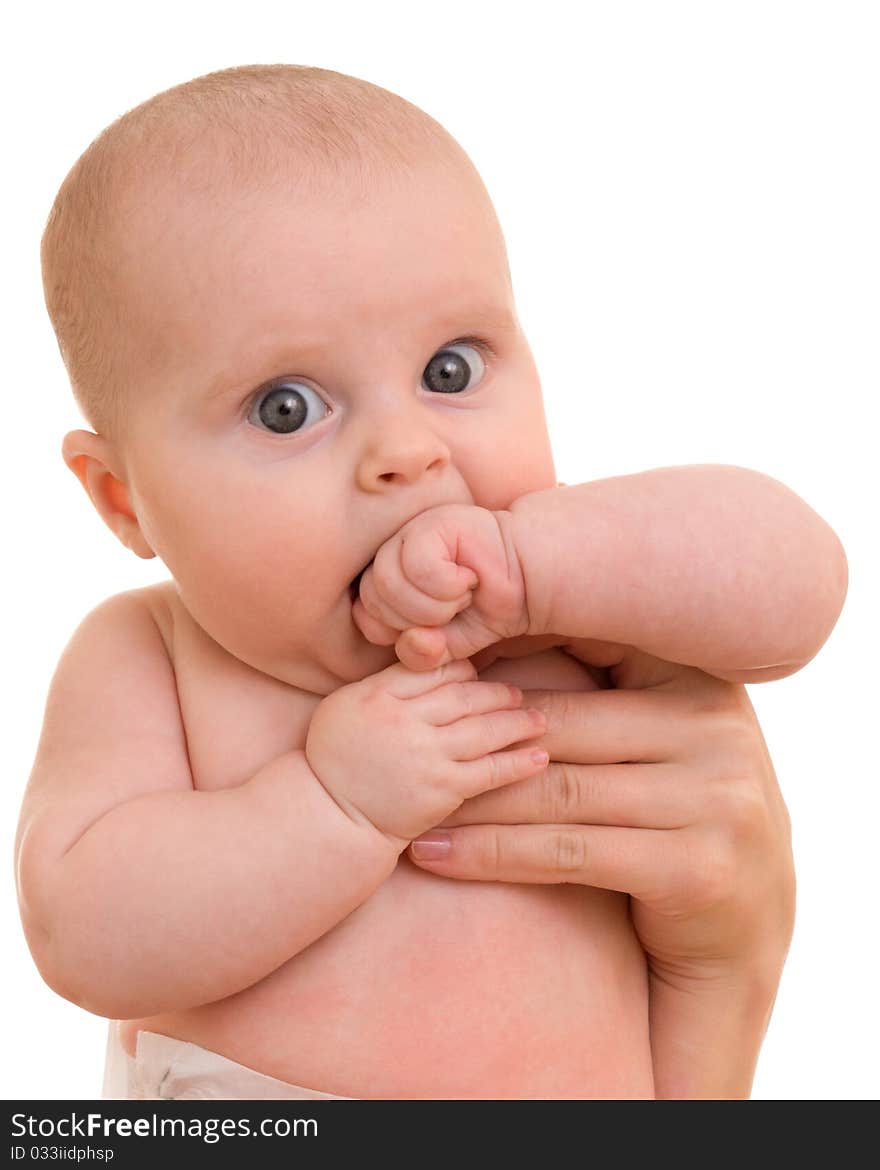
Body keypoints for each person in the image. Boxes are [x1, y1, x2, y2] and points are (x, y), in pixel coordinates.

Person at [15, 64, 845, 1100]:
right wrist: (331, 806)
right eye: (286, 408)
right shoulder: (149, 655)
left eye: (449, 370)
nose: (405, 452)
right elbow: (85, 936)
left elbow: (801, 587)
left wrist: (545, 567)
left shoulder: (579, 593)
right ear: (122, 498)